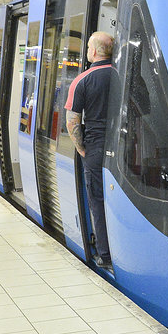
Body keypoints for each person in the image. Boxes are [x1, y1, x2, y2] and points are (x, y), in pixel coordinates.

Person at [64, 31, 115, 267]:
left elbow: (72, 120)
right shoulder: (122, 76)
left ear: (93, 51)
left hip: (95, 147)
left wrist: (82, 148)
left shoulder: (82, 80)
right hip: (122, 147)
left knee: (97, 199)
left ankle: (105, 255)